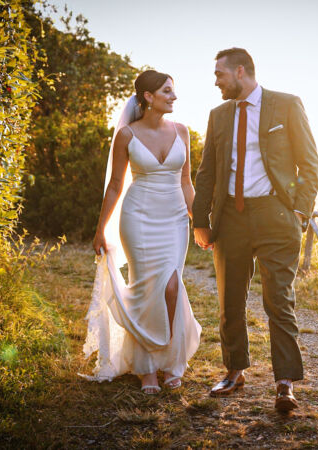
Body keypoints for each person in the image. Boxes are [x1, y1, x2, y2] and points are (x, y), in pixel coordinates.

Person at [192, 48, 318, 412]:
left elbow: (309, 163)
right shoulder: (218, 115)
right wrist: (201, 220)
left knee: (279, 299)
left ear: (241, 71)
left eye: (220, 74)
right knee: (230, 297)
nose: (216, 81)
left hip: (276, 216)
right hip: (230, 217)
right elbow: (207, 171)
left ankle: (285, 383)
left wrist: (298, 213)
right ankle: (234, 371)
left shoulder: (287, 105)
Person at [82, 70, 201, 395]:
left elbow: (187, 182)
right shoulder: (127, 135)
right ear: (148, 96)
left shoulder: (182, 132)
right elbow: (116, 186)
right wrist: (100, 229)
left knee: (172, 287)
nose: (173, 97)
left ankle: (171, 362)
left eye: (173, 91)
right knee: (147, 289)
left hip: (175, 219)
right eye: (167, 91)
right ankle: (147, 368)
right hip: (138, 219)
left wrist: (199, 220)